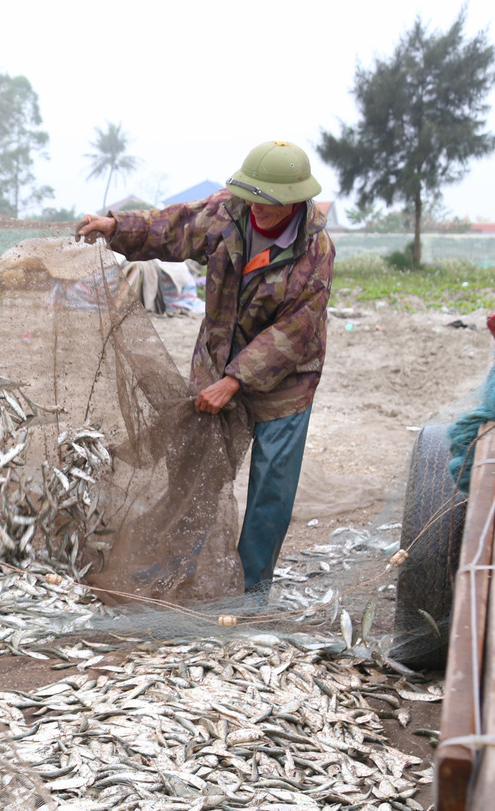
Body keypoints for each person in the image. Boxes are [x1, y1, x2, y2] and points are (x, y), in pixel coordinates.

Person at [77, 140, 335, 600]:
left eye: (270, 202)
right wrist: (117, 227)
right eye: (253, 196)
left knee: (270, 488)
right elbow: (171, 228)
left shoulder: (314, 250)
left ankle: (252, 589)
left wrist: (234, 382)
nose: (259, 208)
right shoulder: (228, 212)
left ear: (295, 200)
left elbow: (295, 331)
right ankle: (172, 563)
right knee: (194, 470)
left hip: (286, 381)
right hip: (216, 359)